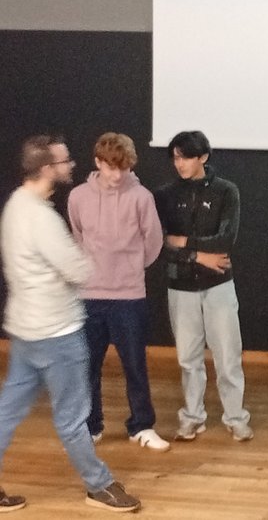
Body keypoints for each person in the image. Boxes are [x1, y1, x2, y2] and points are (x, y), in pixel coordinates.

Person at [0, 135, 141, 512]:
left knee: (7, 410)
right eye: (64, 162)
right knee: (72, 417)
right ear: (47, 169)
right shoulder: (42, 219)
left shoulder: (15, 204)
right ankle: (100, 486)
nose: (72, 165)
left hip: (25, 330)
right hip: (56, 334)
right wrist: (88, 259)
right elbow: (77, 270)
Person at [67, 133, 168, 452]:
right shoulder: (78, 197)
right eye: (111, 167)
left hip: (129, 296)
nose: (117, 175)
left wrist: (130, 268)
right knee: (88, 366)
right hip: (90, 296)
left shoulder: (142, 197)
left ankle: (141, 426)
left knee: (135, 365)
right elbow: (78, 237)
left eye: (123, 168)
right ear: (98, 162)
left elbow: (153, 242)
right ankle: (91, 426)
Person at [154, 131, 253, 442]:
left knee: (228, 356)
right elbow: (160, 243)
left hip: (218, 284)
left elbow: (226, 240)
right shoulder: (165, 195)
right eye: (176, 158)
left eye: (186, 157)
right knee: (188, 358)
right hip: (180, 285)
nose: (179, 164)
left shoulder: (226, 191)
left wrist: (184, 241)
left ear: (203, 157)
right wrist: (199, 256)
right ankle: (192, 416)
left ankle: (235, 417)